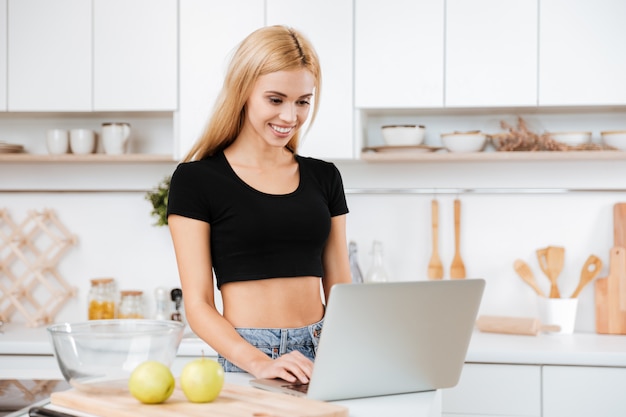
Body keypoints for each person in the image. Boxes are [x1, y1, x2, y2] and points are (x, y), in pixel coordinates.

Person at [166, 25, 351, 384]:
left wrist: (353, 347)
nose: (290, 117)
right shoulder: (196, 181)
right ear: (243, 92)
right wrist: (258, 362)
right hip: (247, 353)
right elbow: (199, 305)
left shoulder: (324, 177)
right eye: (276, 99)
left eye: (303, 101)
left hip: (324, 348)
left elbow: (341, 287)